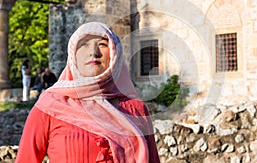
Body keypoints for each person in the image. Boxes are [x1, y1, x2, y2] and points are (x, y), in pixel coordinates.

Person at [16, 22, 160, 163]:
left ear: (115, 54)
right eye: (84, 44)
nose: (93, 52)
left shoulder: (136, 109)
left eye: (103, 44)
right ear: (73, 55)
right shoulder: (49, 107)